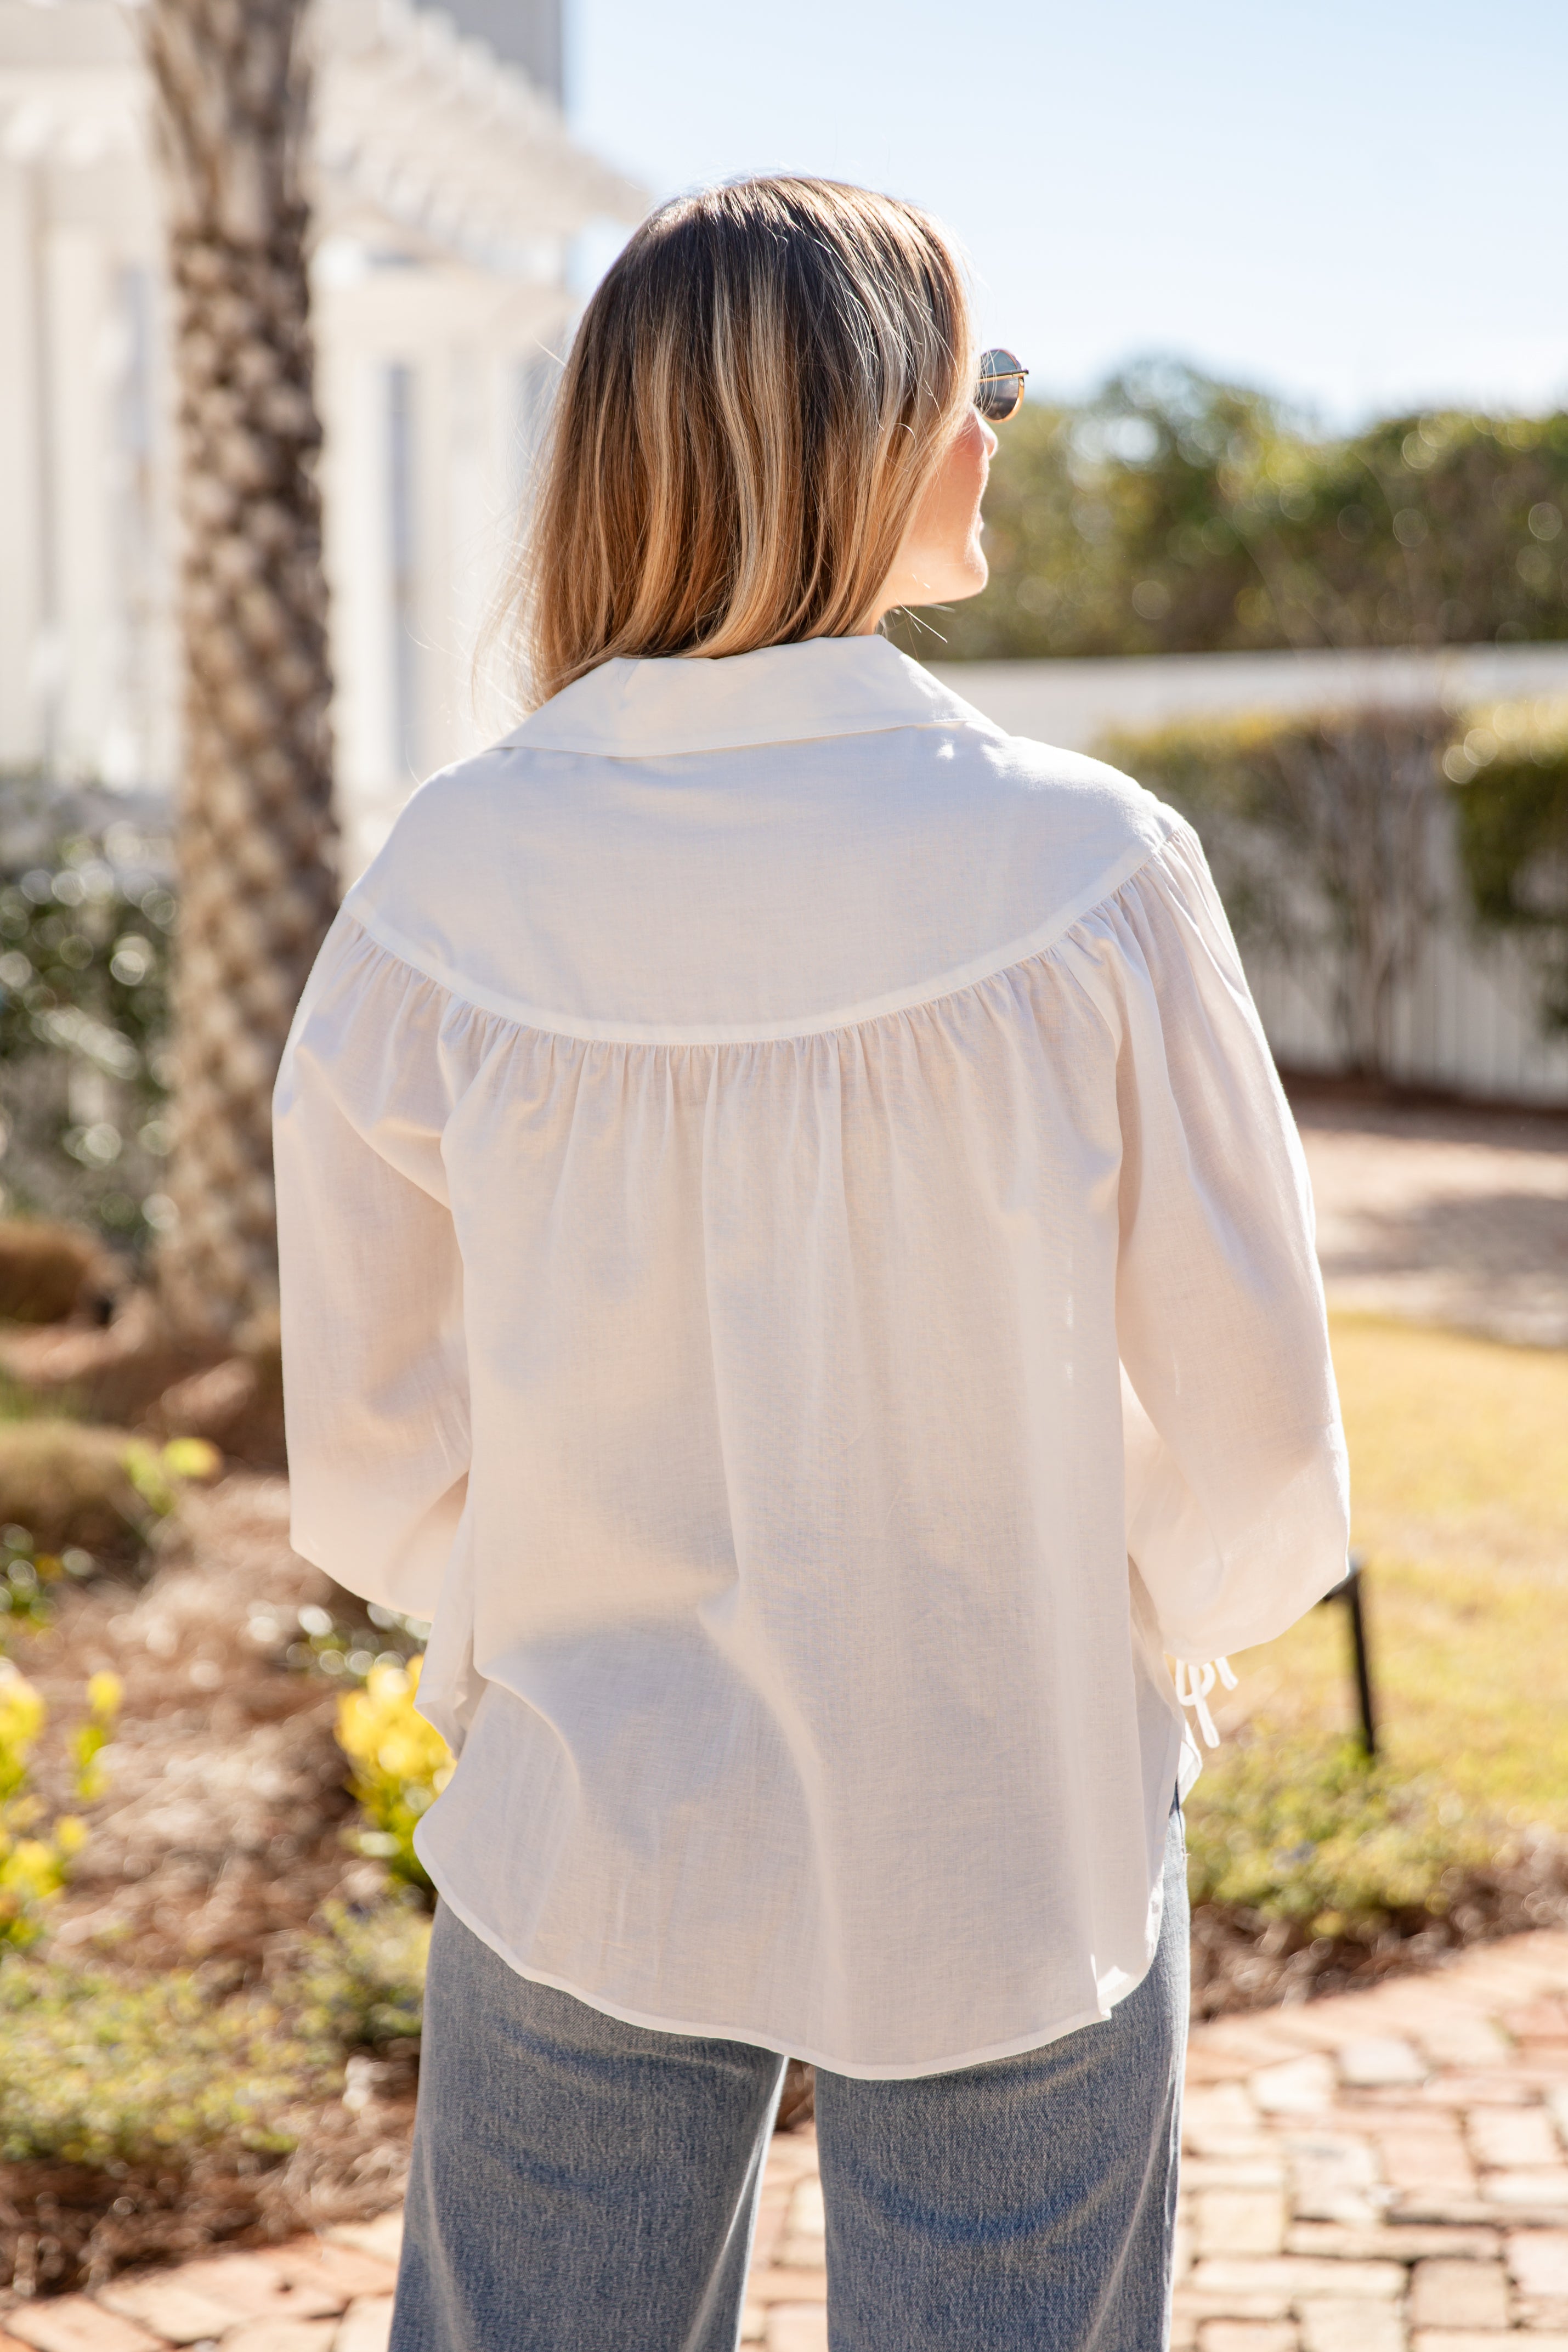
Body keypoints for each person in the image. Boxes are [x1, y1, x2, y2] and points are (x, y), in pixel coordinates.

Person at [274, 176, 1349, 2352]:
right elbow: (1258, 1454)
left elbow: (371, 1452)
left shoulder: (452, 874)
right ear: (858, 435)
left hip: (590, 1804)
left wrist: (546, 1619)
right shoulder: (1088, 869)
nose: (998, 429)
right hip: (1014, 1805)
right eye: (982, 383)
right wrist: (1103, 1643)